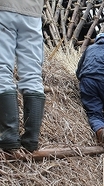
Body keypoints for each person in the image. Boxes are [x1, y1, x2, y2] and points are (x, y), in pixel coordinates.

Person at [0, 0, 46, 152]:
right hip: (33, 12)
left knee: (2, 69)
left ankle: (9, 135)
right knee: (33, 74)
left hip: (5, 8)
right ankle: (31, 138)